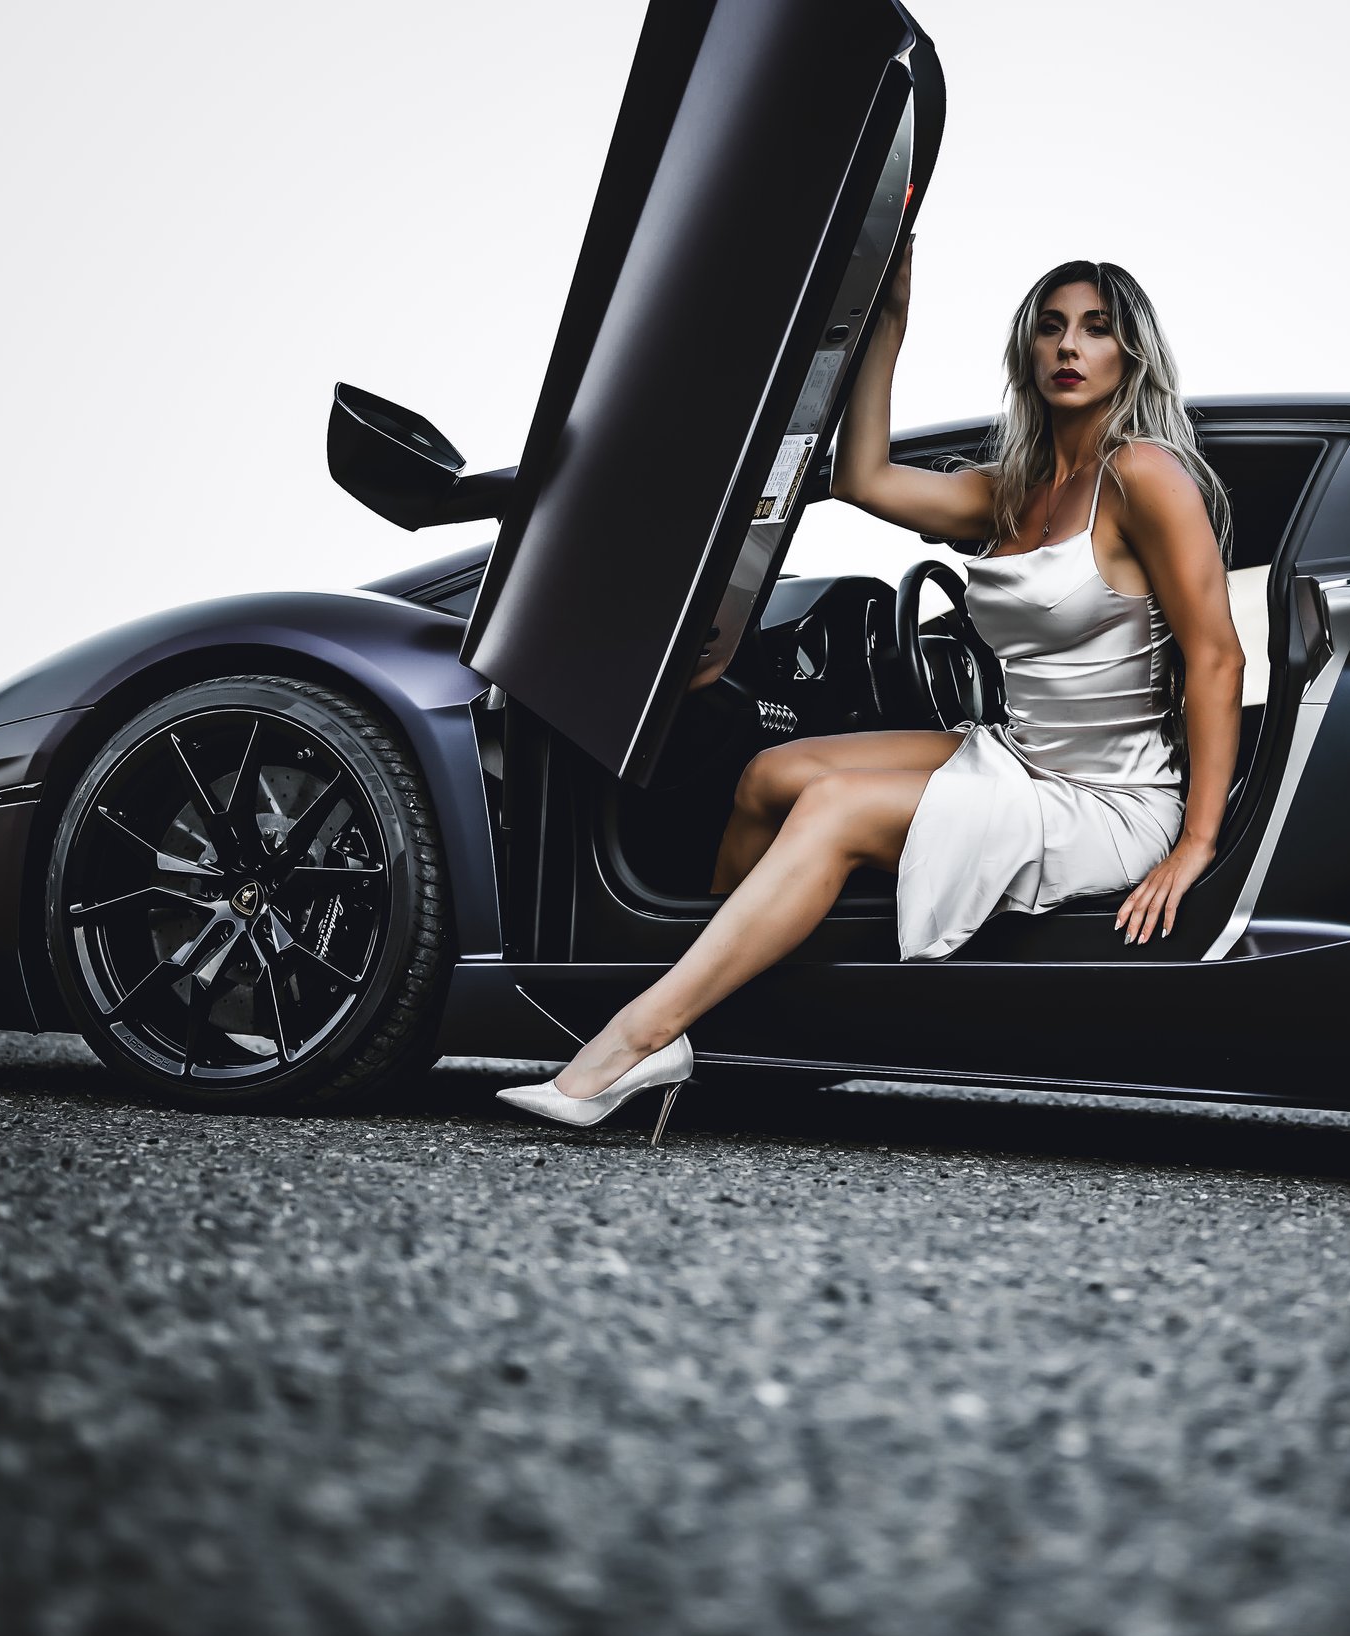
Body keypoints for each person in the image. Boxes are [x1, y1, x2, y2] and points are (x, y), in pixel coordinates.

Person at [494, 245, 1245, 1139]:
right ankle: (730, 1014)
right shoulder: (1014, 493)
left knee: (838, 811)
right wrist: (887, 320)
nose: (1068, 349)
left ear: (1131, 352)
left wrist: (1196, 843)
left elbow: (1217, 660)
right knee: (772, 774)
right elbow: (863, 478)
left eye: (1094, 329)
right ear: (1027, 352)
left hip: (1110, 800)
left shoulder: (1145, 475)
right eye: (1050, 329)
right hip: (1022, 757)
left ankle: (639, 1036)